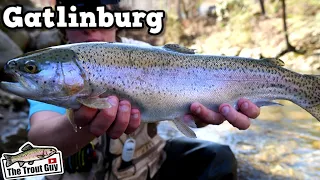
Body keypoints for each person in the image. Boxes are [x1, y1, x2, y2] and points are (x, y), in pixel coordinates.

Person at [26, 0, 261, 179]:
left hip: (149, 168)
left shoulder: (145, 52)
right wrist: (82, 126)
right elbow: (41, 142)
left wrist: (200, 114)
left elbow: (191, 94)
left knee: (217, 157)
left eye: (100, 10)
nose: (91, 24)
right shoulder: (56, 65)